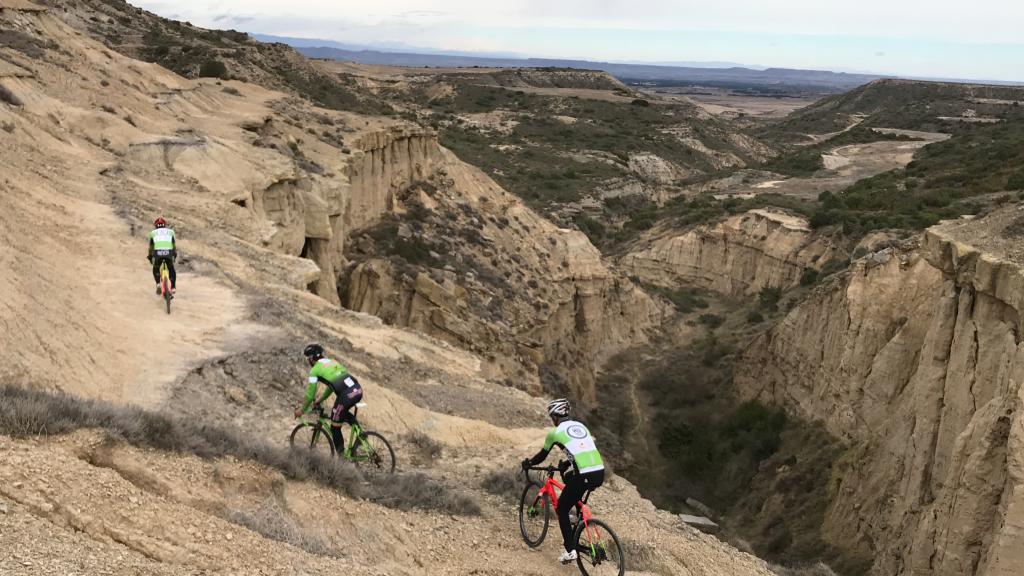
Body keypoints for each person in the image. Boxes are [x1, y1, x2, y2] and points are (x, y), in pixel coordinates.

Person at [522, 398, 605, 564]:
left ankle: (570, 550)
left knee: (561, 508)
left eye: (552, 416)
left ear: (555, 416)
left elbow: (542, 456)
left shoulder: (555, 433)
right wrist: (566, 463)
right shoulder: (581, 426)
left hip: (584, 475)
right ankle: (576, 517)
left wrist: (529, 463)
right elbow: (583, 449)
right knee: (568, 477)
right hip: (599, 471)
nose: (552, 420)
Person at [294, 343, 363, 453]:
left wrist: (302, 410)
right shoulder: (333, 362)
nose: (308, 362)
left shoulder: (315, 370)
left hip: (346, 395)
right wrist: (321, 399)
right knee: (340, 412)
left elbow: (310, 395)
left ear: (312, 358)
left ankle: (342, 460)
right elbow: (332, 386)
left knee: (334, 426)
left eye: (308, 359)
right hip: (357, 390)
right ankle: (362, 436)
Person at [148, 217, 177, 295]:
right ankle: (173, 287)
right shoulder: (171, 232)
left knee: (156, 267)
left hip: (158, 253)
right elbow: (173, 244)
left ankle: (158, 284)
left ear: (156, 225)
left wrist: (150, 256)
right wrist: (175, 254)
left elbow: (151, 246)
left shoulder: (152, 233)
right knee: (171, 268)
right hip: (169, 252)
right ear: (164, 225)